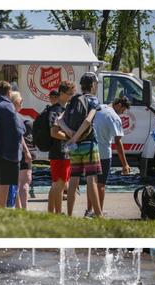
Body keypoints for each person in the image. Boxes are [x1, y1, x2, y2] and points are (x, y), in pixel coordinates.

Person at [57, 72, 103, 218]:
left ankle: (69, 215)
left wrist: (71, 134)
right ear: (93, 85)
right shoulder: (93, 100)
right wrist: (76, 137)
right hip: (89, 144)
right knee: (91, 179)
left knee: (74, 180)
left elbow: (59, 120)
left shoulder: (74, 99)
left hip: (74, 148)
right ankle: (98, 214)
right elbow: (88, 121)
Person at [93, 96, 132, 215]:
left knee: (92, 183)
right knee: (101, 185)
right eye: (123, 110)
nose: (122, 114)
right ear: (119, 105)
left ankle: (90, 211)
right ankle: (98, 213)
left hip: (91, 151)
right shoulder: (114, 117)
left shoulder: (99, 108)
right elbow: (118, 142)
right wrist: (125, 164)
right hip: (104, 154)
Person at [47, 83, 75, 214]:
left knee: (56, 184)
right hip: (59, 153)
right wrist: (70, 138)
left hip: (63, 152)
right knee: (60, 184)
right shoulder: (56, 110)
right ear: (62, 93)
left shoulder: (64, 108)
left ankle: (51, 213)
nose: (72, 96)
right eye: (70, 93)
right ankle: (58, 214)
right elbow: (53, 132)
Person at [10, 91, 34, 209]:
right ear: (14, 102)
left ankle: (19, 210)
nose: (22, 101)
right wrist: (27, 151)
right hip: (21, 153)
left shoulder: (10, 116)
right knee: (25, 181)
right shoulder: (16, 117)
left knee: (17, 183)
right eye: (20, 100)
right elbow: (20, 136)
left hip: (12, 153)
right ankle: (24, 210)